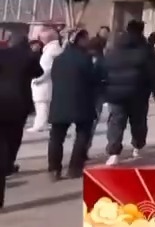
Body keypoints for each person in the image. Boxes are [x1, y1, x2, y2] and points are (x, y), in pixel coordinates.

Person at [101, 20, 155, 166]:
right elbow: (154, 72)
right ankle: (137, 146)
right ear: (141, 30)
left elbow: (104, 68)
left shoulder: (114, 48)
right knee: (138, 121)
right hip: (139, 92)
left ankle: (114, 153)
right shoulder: (146, 49)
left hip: (116, 93)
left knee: (116, 122)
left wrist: (104, 89)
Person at [47, 29, 102, 180]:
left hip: (59, 102)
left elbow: (54, 78)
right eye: (86, 38)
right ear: (79, 40)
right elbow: (93, 79)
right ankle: (75, 168)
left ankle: (54, 169)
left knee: (56, 137)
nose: (88, 41)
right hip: (82, 102)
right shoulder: (86, 59)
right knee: (82, 134)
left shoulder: (58, 59)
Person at [0, 35, 42, 208]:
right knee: (13, 139)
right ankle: (8, 162)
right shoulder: (28, 57)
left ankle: (6, 163)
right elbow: (39, 73)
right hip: (18, 105)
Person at [29, 29, 64, 132]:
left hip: (44, 84)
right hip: (51, 83)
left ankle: (40, 125)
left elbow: (46, 69)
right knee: (44, 105)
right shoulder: (57, 50)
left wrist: (36, 80)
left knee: (42, 105)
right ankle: (43, 123)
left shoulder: (49, 52)